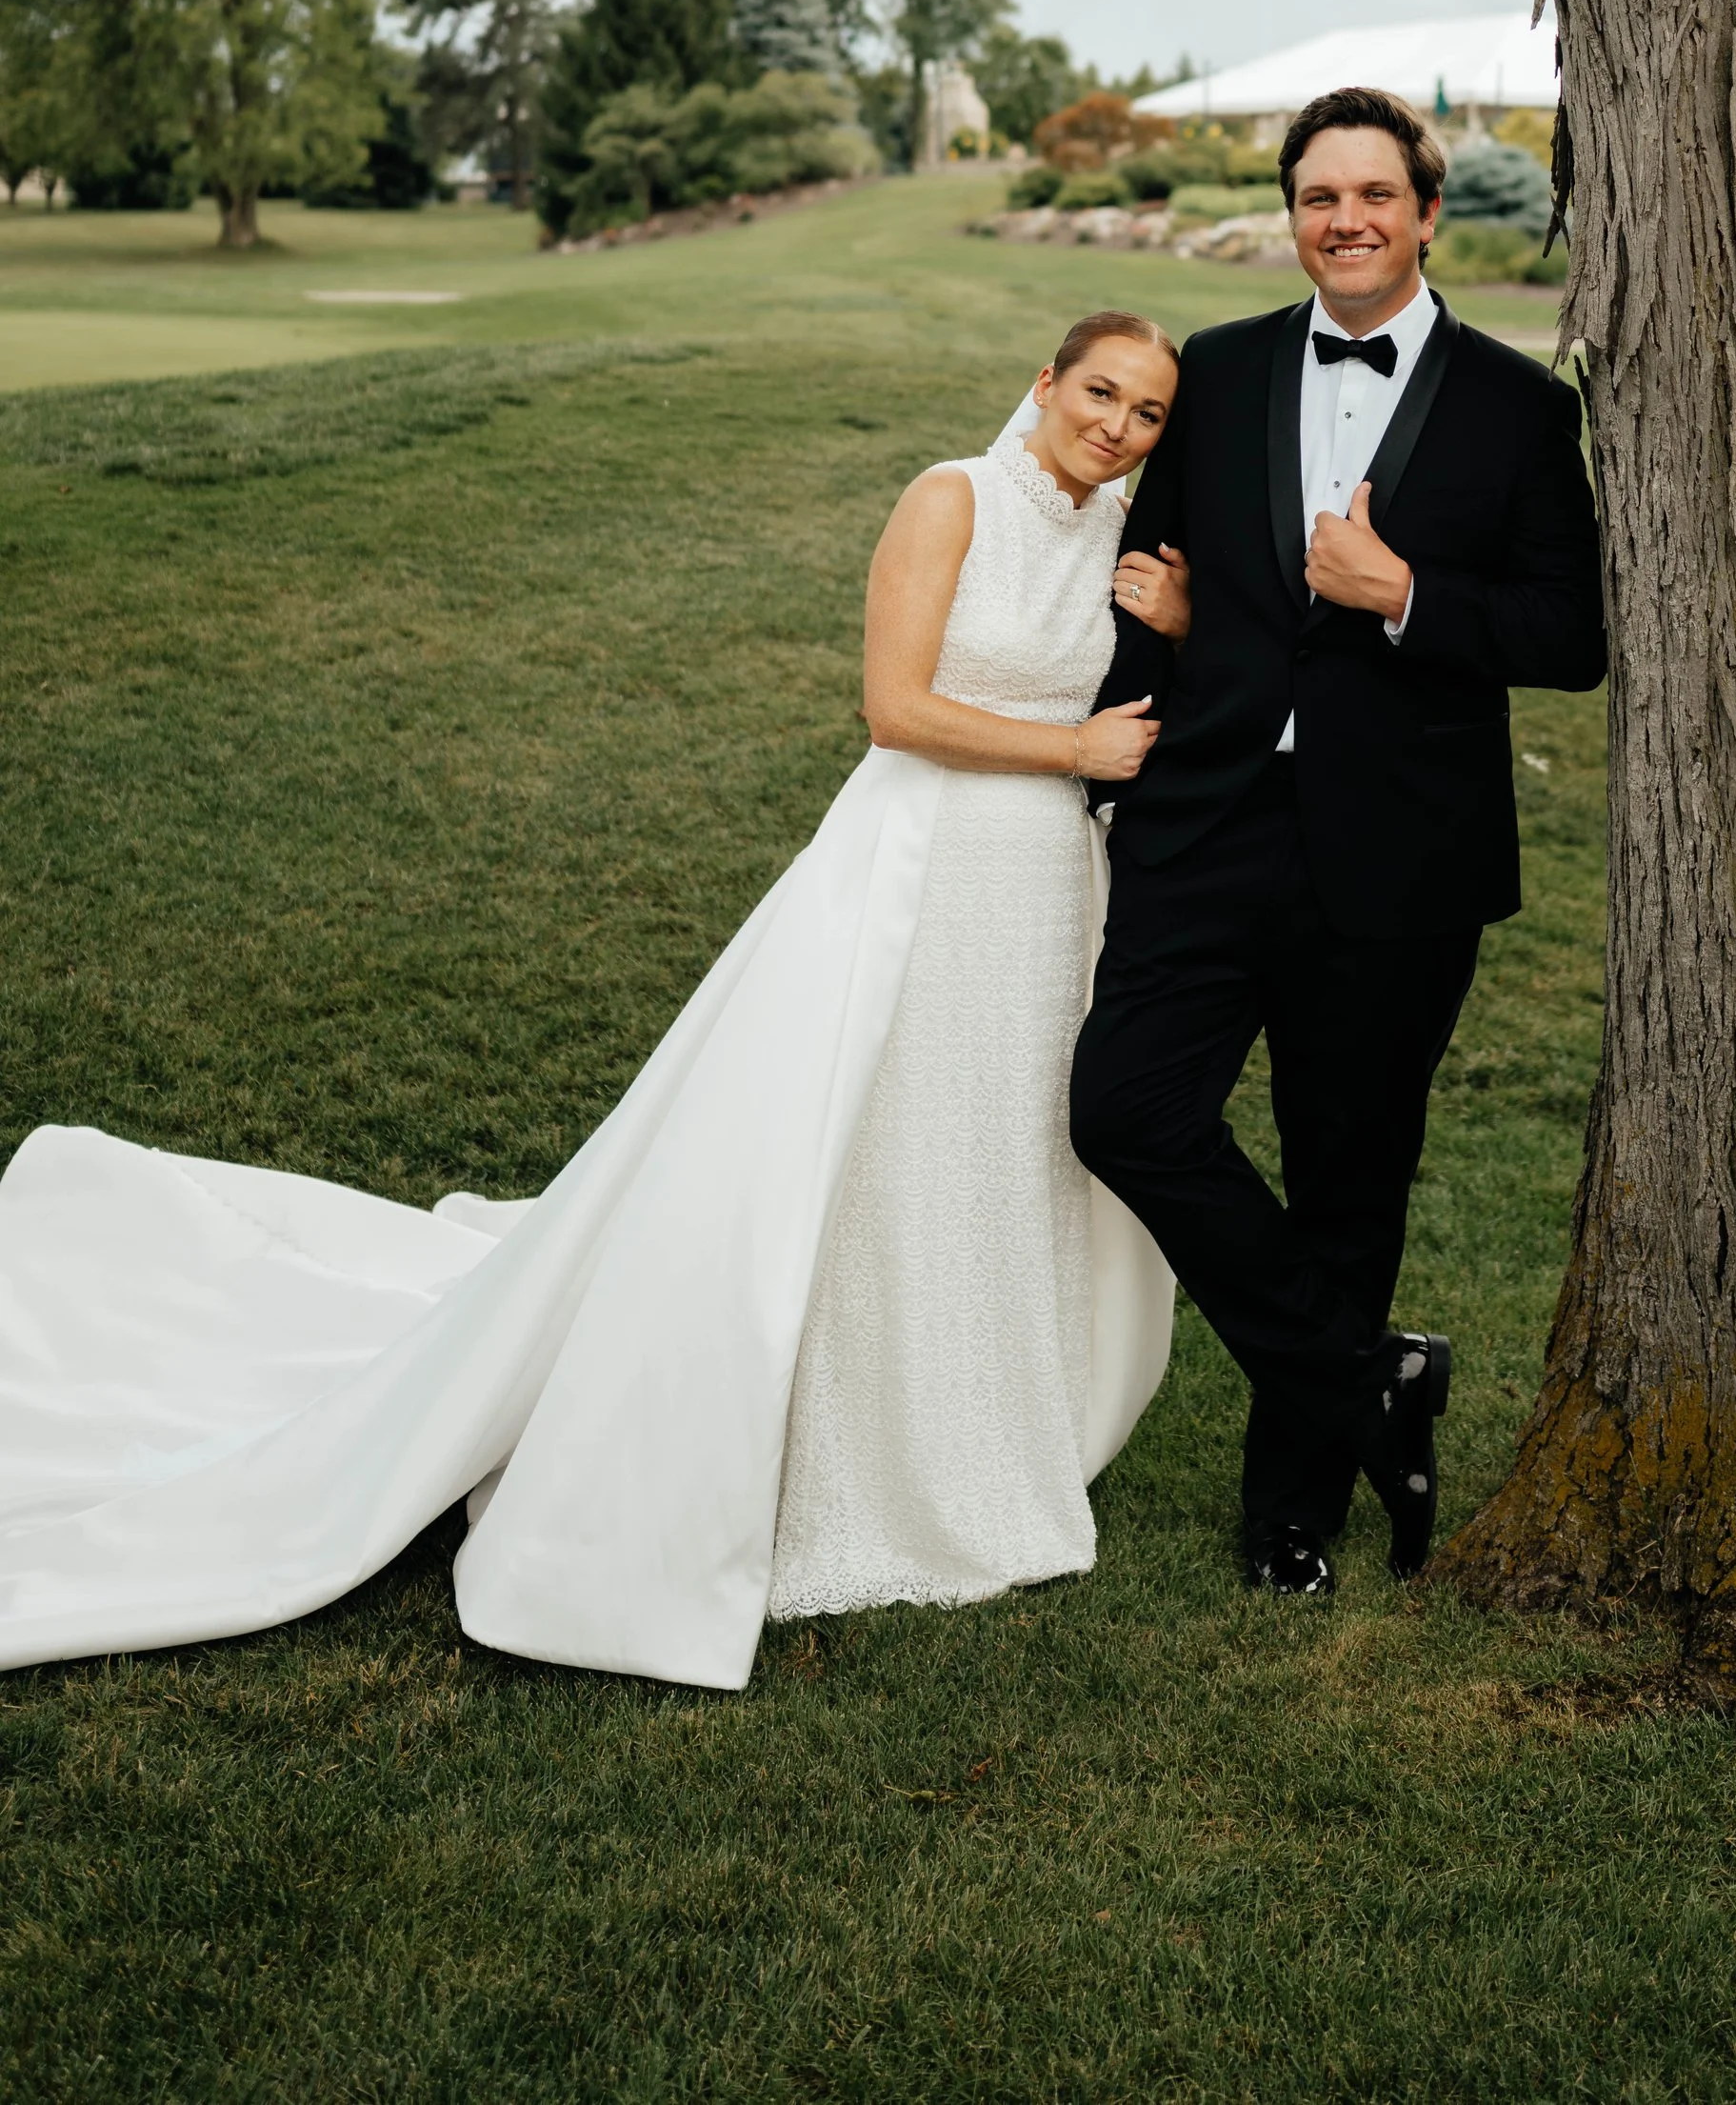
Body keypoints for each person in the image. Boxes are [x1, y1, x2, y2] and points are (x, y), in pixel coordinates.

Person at [0, 319, 1182, 1691]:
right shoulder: (949, 496)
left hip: (1042, 892)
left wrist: (1177, 627)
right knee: (867, 1138)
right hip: (916, 869)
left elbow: (1165, 695)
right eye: (1100, 391)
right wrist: (1069, 747)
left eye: (1148, 412)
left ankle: (974, 1419)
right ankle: (832, 1429)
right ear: (1045, 381)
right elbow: (894, 707)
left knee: (991, 1144)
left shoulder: (1124, 543)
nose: (1117, 425)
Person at [1072, 90, 1606, 1598]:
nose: (1347, 219)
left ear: (1428, 213)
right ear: (1293, 213)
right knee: (1124, 1107)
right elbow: (1150, 584)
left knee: (1349, 1180)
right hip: (1209, 827)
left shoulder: (1517, 406)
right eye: (1319, 195)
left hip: (1401, 859)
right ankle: (1372, 1376)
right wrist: (1125, 762)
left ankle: (1292, 1515)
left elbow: (1574, 634)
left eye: (1376, 193)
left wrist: (1406, 593)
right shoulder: (1223, 372)